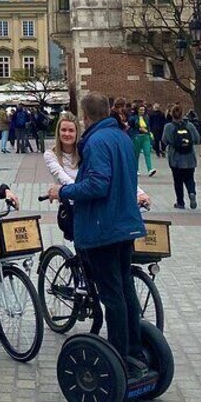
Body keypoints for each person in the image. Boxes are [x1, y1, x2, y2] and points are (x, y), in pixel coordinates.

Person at [46, 92, 149, 379]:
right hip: (126, 225)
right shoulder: (123, 138)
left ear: (85, 116)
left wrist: (62, 191)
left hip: (103, 228)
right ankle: (134, 350)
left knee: (112, 294)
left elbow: (96, 185)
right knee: (126, 289)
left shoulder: (96, 142)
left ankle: (119, 356)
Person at [45, 112, 150, 240]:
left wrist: (139, 192)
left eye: (71, 130)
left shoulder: (85, 149)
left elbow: (112, 174)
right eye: (63, 130)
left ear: (77, 132)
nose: (67, 134)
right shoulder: (51, 155)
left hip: (92, 206)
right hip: (73, 208)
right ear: (58, 132)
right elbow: (64, 178)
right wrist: (67, 190)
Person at [162, 104, 201, 209]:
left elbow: (164, 140)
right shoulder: (190, 126)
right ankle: (192, 192)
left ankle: (180, 202)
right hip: (189, 158)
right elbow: (197, 138)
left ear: (172, 114)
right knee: (190, 178)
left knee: (178, 181)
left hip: (175, 158)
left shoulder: (168, 127)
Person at [128, 105, 156, 176]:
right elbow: (131, 125)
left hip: (145, 136)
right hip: (137, 136)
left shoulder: (146, 117)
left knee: (147, 153)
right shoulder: (133, 118)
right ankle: (136, 169)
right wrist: (138, 128)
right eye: (140, 110)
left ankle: (150, 169)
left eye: (143, 110)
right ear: (137, 110)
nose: (142, 111)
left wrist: (150, 134)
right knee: (136, 154)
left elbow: (148, 127)